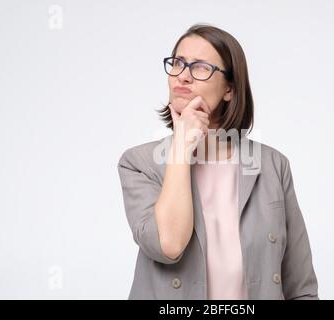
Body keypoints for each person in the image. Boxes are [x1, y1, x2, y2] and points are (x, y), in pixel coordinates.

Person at [117, 23, 319, 300]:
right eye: (177, 63)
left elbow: (301, 287)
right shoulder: (139, 162)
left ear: (230, 90)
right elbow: (169, 245)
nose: (183, 77)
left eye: (200, 67)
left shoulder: (273, 165)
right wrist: (181, 147)